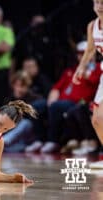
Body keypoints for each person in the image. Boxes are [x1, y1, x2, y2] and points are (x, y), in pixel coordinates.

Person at [72, 0, 103, 168]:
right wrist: (80, 68)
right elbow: (90, 50)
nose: (99, 5)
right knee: (97, 120)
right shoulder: (92, 26)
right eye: (97, 2)